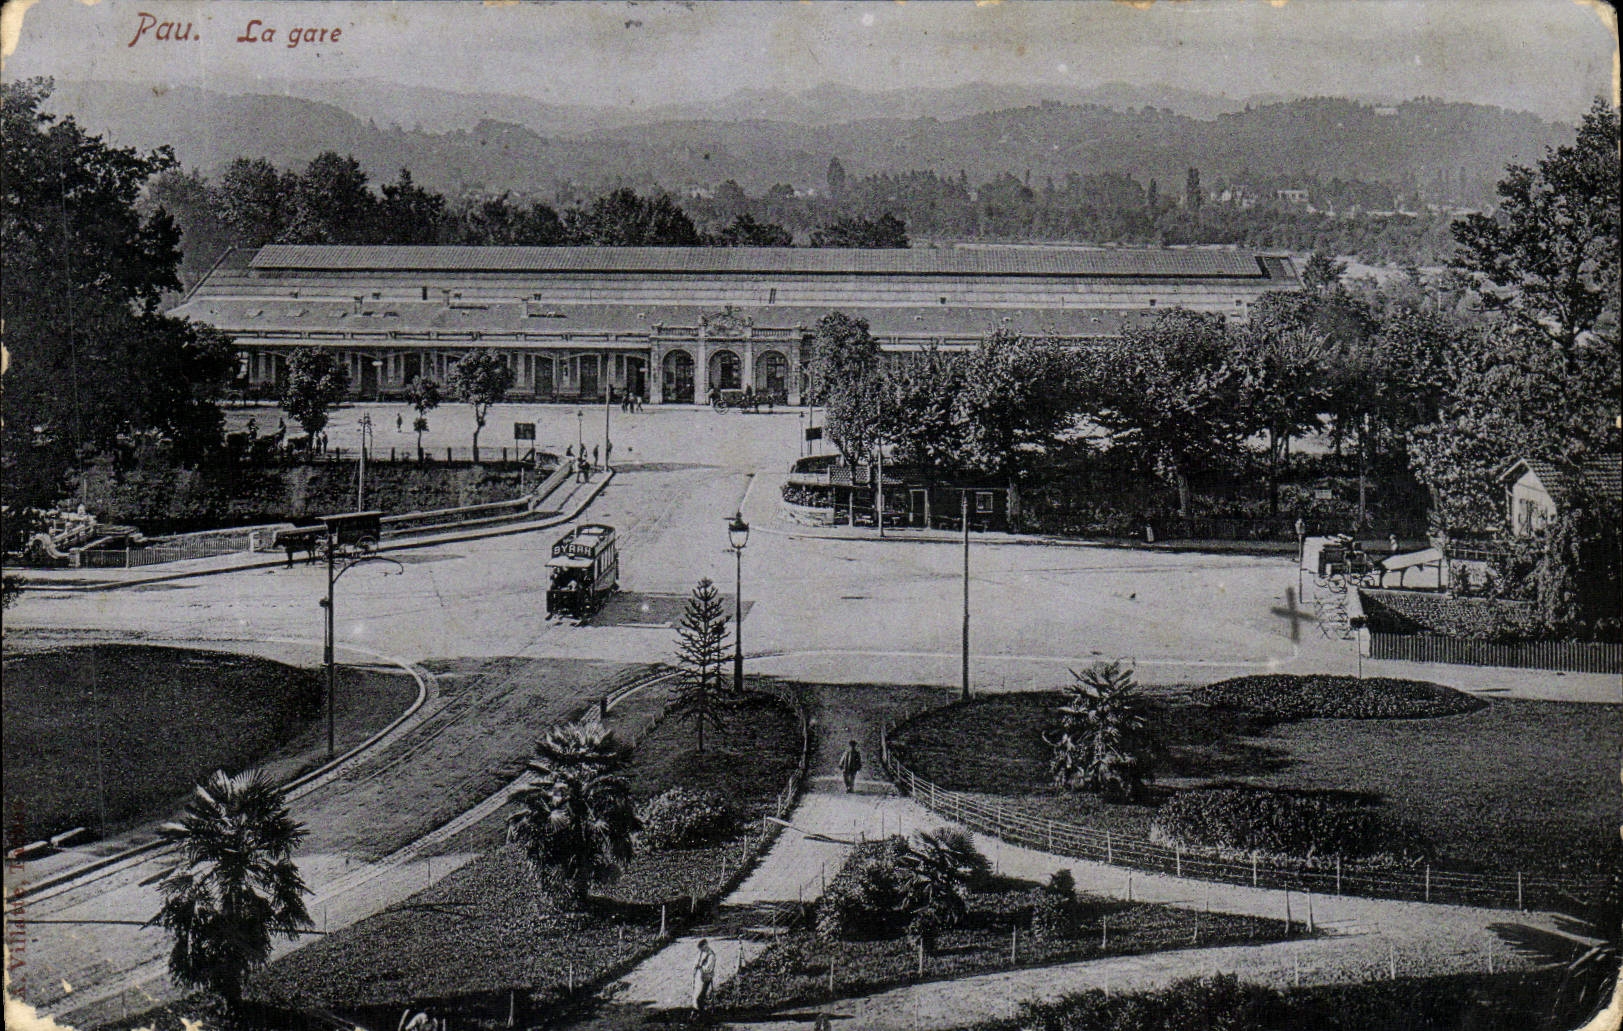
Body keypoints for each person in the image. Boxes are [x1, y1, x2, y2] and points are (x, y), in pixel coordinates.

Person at [692, 939, 716, 1012]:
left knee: (702, 995)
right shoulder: (701, 953)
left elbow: (709, 968)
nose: (702, 949)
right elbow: (696, 962)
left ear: (706, 945)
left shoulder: (711, 955)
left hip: (706, 977)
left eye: (702, 947)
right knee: (696, 994)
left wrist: (700, 967)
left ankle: (702, 1011)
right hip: (699, 977)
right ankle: (697, 1009)